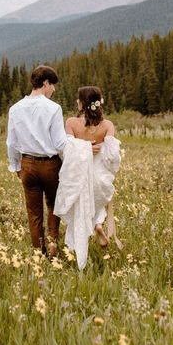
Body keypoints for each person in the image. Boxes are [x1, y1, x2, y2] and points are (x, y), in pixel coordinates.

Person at [54, 85, 122, 269]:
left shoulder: (71, 123)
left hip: (80, 175)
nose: (77, 102)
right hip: (98, 177)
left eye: (78, 99)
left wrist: (82, 147)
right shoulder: (107, 125)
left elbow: (65, 150)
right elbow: (113, 156)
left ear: (83, 103)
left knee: (79, 210)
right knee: (96, 202)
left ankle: (74, 251)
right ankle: (98, 224)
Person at [6, 64, 66, 257]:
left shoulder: (15, 109)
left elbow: (11, 142)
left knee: (34, 212)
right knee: (54, 205)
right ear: (45, 83)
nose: (54, 90)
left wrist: (16, 166)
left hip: (28, 165)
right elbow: (59, 143)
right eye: (53, 85)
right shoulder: (54, 108)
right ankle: (53, 243)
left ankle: (38, 253)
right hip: (50, 165)